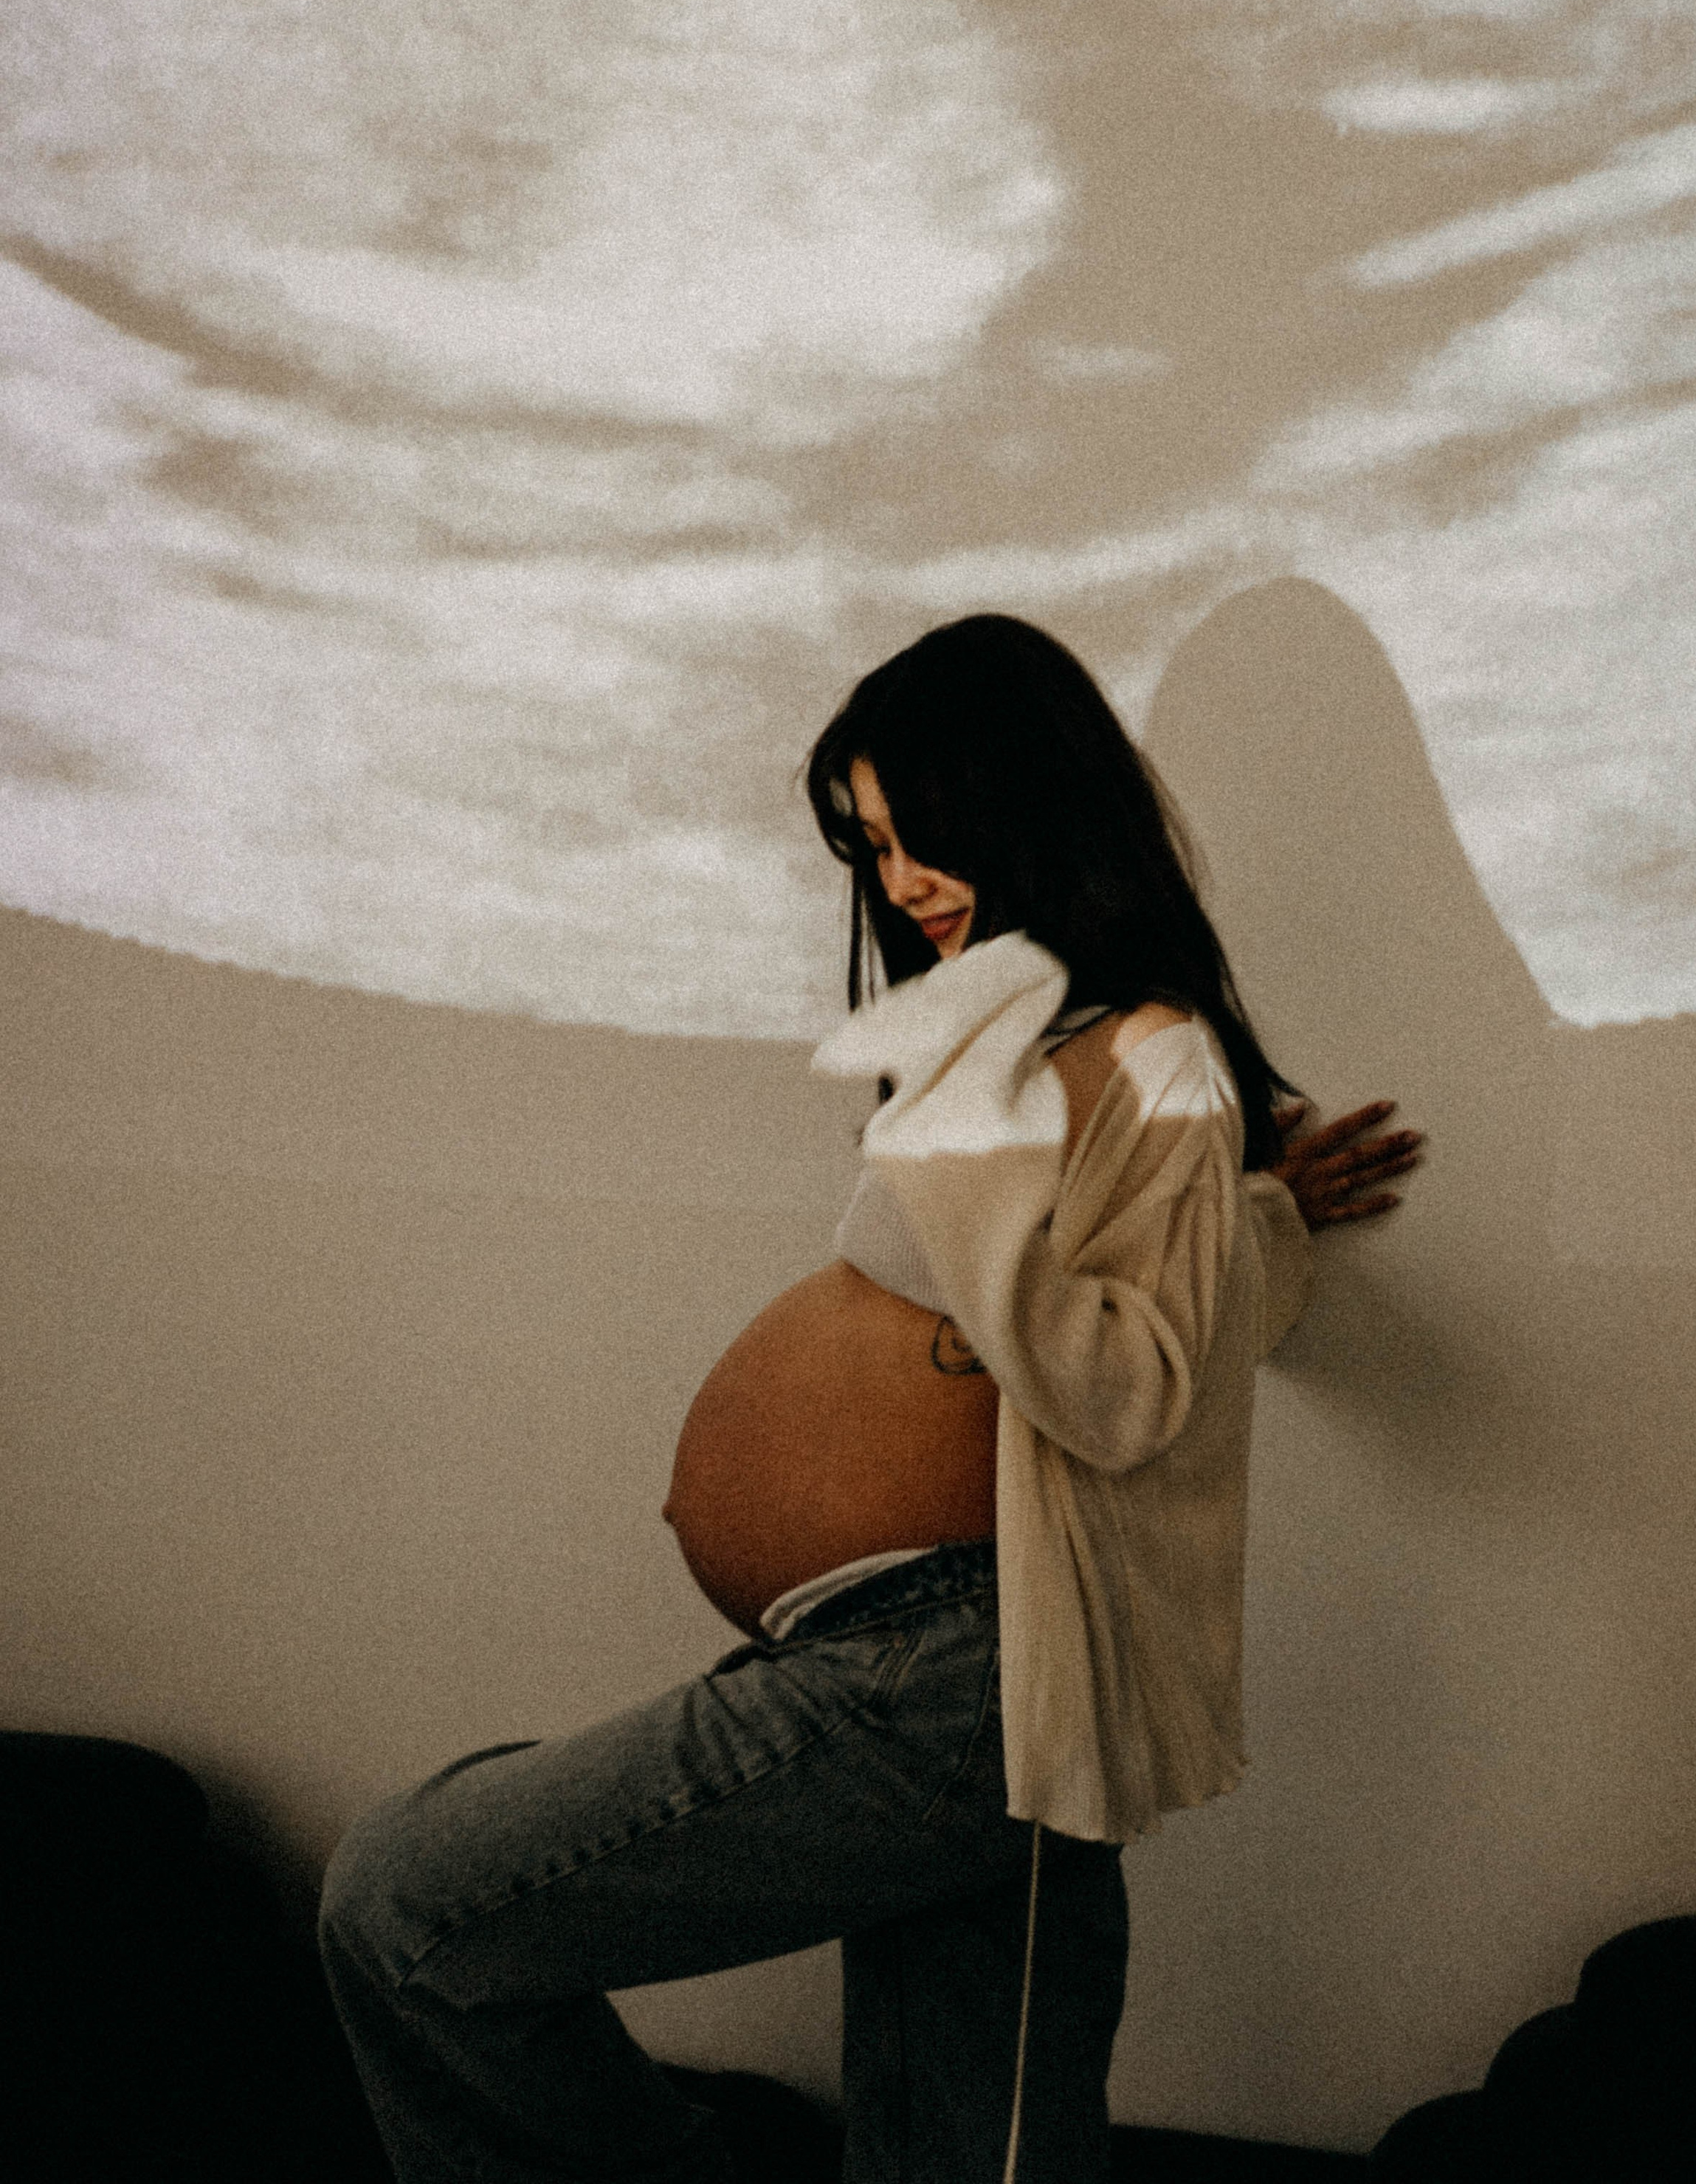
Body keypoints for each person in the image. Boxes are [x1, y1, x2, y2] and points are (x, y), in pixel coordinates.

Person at [319, 614, 1424, 2184]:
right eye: (871, 841)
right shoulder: (1023, 1037)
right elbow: (1122, 1281)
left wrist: (1005, 1158)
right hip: (906, 1659)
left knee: (407, 1904)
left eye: (923, 831)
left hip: (963, 1670)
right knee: (961, 2152)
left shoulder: (1149, 1045)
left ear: (1027, 801)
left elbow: (1128, 1392)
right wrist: (1248, 1210)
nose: (898, 880)